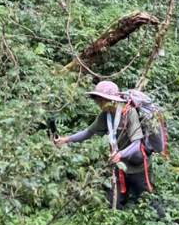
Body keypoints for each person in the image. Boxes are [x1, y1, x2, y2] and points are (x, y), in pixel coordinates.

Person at [54, 79, 163, 215]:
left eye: (101, 100)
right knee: (113, 202)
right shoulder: (105, 115)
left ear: (111, 100)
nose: (99, 104)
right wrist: (66, 140)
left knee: (147, 200)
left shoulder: (129, 112)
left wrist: (120, 154)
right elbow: (89, 132)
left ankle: (165, 222)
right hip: (119, 166)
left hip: (138, 165)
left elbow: (136, 143)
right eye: (98, 100)